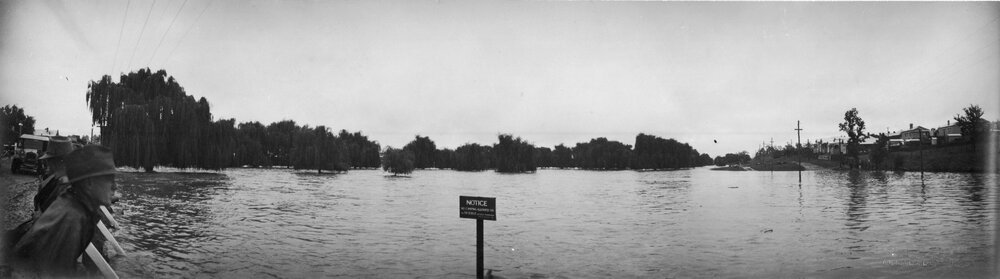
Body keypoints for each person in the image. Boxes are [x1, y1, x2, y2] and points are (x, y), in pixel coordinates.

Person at [13, 145, 118, 276]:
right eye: (110, 180)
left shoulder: (73, 205)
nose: (115, 186)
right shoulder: (72, 220)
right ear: (90, 183)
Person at [34, 136, 74, 215]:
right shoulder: (54, 179)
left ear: (59, 161)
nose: (48, 163)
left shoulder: (67, 186)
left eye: (49, 160)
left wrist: (40, 218)